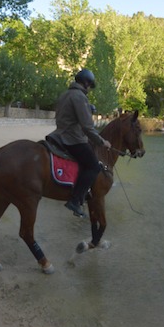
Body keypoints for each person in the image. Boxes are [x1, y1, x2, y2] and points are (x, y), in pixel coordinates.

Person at [49, 69, 111, 217]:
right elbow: (88, 127)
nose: (89, 89)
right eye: (90, 86)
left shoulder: (65, 95)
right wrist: (103, 142)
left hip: (58, 135)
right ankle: (75, 200)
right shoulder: (79, 96)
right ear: (86, 83)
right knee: (94, 166)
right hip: (72, 139)